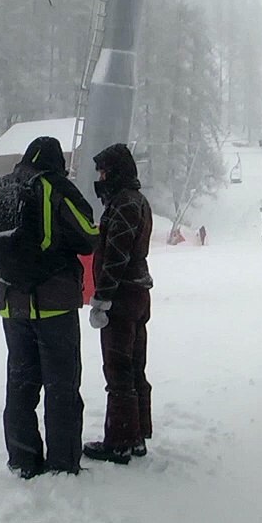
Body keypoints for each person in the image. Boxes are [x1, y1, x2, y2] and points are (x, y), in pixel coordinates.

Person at [0, 136, 98, 478]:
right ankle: (62, 462)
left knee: (20, 381)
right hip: (54, 304)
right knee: (61, 385)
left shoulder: (2, 188)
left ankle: (22, 459)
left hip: (11, 305)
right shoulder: (56, 188)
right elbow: (88, 236)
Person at [83, 144, 155, 465]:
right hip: (136, 293)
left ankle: (121, 440)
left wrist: (103, 296)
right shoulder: (135, 201)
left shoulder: (124, 204)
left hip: (122, 297)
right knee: (134, 365)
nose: (101, 178)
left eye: (104, 172)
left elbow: (116, 255)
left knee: (119, 368)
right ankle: (136, 435)